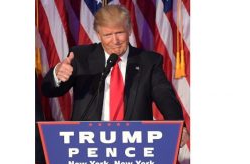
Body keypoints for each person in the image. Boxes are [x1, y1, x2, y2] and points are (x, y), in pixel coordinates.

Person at [41, 4, 189, 146]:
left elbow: (165, 97)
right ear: (98, 35)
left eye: (119, 33)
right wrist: (57, 74)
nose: (115, 41)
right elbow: (49, 91)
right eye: (108, 35)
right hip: (87, 144)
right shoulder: (81, 57)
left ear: (129, 30)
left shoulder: (149, 61)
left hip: (133, 144)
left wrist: (178, 125)